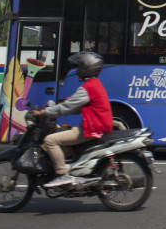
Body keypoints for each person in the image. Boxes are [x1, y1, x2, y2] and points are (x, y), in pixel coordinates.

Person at [36, 52, 113, 187]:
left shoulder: (88, 87)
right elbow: (74, 107)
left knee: (50, 140)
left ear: (87, 68)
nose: (77, 70)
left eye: (80, 66)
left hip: (92, 129)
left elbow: (66, 107)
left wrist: (44, 112)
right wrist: (60, 108)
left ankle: (62, 174)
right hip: (97, 126)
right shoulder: (95, 84)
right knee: (62, 133)